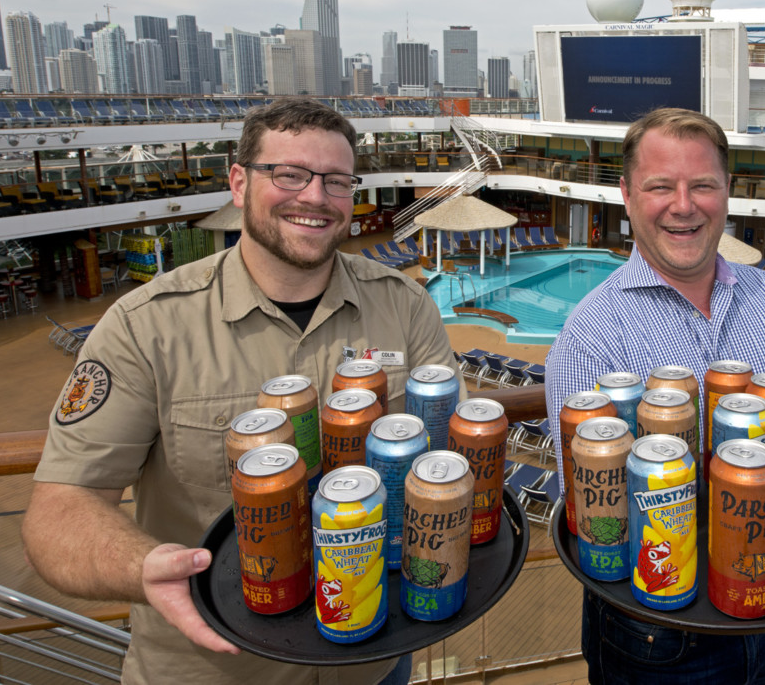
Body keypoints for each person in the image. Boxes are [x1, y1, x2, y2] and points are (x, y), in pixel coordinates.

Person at [23, 97, 465, 685]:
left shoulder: (405, 305)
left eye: (336, 181)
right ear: (238, 182)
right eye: (288, 174)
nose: (314, 197)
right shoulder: (145, 326)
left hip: (373, 659)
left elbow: (444, 459)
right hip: (215, 668)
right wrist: (143, 566)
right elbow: (60, 509)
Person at [545, 107, 765, 685]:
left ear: (728, 192)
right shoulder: (591, 330)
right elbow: (591, 490)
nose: (683, 205)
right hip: (651, 633)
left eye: (703, 184)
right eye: (659, 186)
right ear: (626, 195)